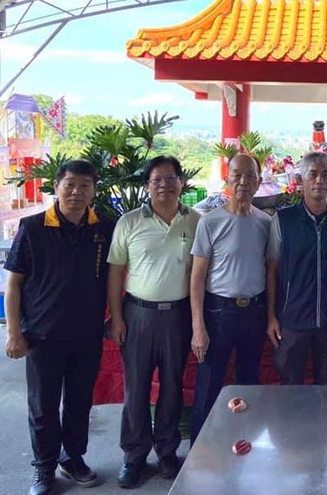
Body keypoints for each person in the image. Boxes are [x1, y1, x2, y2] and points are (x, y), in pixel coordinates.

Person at [3, 160, 115, 495]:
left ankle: (74, 458)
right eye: (70, 184)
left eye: (84, 185)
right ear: (57, 186)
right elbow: (13, 285)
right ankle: (44, 467)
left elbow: (116, 277)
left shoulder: (104, 228)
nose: (77, 192)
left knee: (80, 403)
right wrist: (13, 332)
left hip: (87, 334)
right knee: (43, 406)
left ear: (94, 190)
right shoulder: (33, 227)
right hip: (41, 335)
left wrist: (115, 317)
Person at [106, 156, 201, 488]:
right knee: (137, 388)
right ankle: (133, 456)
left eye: (170, 178)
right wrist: (116, 317)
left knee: (173, 385)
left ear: (181, 183)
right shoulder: (129, 222)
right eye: (156, 180)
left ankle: (166, 452)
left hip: (178, 315)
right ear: (147, 186)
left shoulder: (196, 221)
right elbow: (116, 271)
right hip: (138, 315)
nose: (164, 185)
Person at [189, 153, 270, 441]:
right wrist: (198, 327)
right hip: (218, 313)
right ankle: (199, 454)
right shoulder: (210, 222)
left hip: (254, 312)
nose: (243, 182)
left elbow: (269, 270)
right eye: (237, 175)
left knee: (249, 384)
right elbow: (197, 278)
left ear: (259, 183)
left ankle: (243, 445)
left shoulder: (265, 222)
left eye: (250, 176)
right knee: (209, 384)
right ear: (227, 180)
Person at [266, 151, 327, 384]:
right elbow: (272, 270)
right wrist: (272, 317)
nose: (319, 180)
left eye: (326, 174)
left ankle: (324, 422)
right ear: (301, 179)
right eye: (313, 174)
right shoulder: (284, 220)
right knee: (290, 386)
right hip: (293, 320)